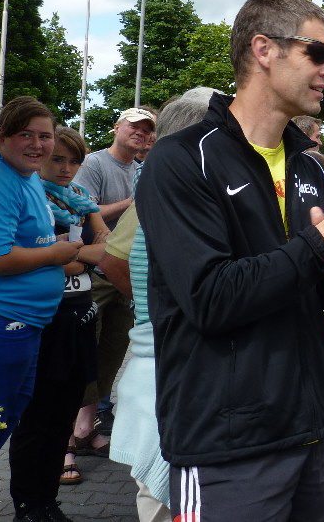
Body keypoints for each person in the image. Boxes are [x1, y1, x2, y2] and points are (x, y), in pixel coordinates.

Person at [135, 0, 324, 521]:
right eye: (318, 54)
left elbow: (312, 285)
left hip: (305, 428)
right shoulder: (180, 159)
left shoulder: (307, 166)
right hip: (225, 443)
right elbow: (210, 298)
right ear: (264, 49)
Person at [0, 96, 83, 521]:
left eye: (44, 136)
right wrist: (56, 255)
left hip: (21, 325)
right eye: (25, 135)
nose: (37, 144)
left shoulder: (28, 176)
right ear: (2, 137)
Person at [107, 88, 219, 522]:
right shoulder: (175, 199)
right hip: (171, 379)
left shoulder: (163, 193)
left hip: (161, 374)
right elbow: (114, 261)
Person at [8, 126, 109, 520]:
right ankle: (27, 505)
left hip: (78, 315)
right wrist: (80, 254)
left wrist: (72, 253)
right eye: (58, 159)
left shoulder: (81, 198)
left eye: (75, 161)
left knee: (64, 412)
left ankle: (47, 502)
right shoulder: (28, 197)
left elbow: (107, 246)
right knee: (35, 417)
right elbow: (37, 257)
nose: (67, 168)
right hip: (41, 317)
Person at [72, 105, 155, 447]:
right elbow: (86, 210)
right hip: (94, 269)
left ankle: (87, 427)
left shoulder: (141, 167)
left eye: (147, 128)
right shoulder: (94, 163)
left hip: (125, 268)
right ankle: (68, 441)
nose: (140, 132)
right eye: (133, 125)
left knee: (112, 352)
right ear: (116, 128)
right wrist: (134, 200)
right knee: (82, 352)